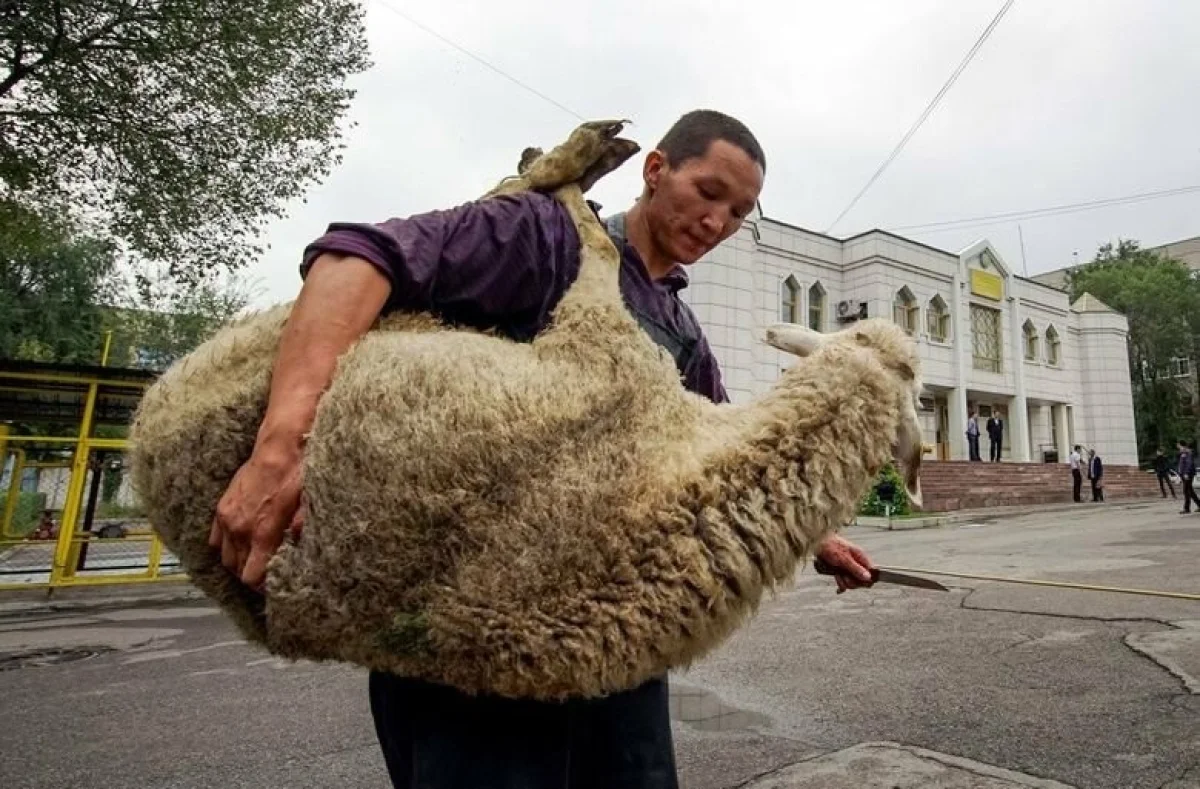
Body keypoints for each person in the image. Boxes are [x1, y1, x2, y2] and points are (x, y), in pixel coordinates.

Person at [206, 109, 880, 789]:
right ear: (655, 170)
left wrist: (815, 538)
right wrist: (282, 444)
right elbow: (357, 255)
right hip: (471, 643)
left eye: (737, 213)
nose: (717, 223)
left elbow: (723, 448)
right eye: (708, 193)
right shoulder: (548, 237)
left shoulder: (679, 327)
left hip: (612, 638)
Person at [1178, 440, 1200, 514]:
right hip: (1185, 474)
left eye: (1179, 446)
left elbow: (1189, 463)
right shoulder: (1183, 453)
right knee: (1190, 491)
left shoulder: (1187, 453)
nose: (1178, 447)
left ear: (1182, 446)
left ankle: (1187, 508)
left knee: (1186, 491)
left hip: (1188, 475)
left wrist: (1186, 473)